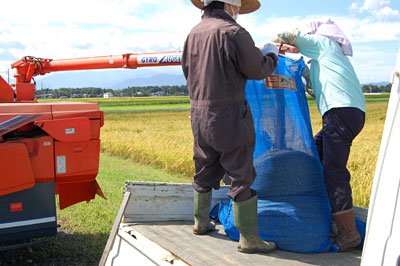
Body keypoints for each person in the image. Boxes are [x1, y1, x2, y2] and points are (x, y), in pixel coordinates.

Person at [182, 0, 279, 254]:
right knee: (241, 173)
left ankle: (200, 222)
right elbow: (258, 69)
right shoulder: (233, 32)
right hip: (229, 114)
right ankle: (249, 239)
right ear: (231, 4)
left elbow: (187, 71)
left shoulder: (193, 33)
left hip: (199, 114)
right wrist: (271, 55)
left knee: (204, 166)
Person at [272, 19, 366, 252]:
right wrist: (301, 68)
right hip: (348, 113)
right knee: (314, 154)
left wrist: (275, 45)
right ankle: (323, 210)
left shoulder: (325, 45)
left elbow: (288, 33)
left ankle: (348, 233)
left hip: (339, 111)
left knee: (334, 171)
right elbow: (315, 88)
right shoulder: (326, 59)